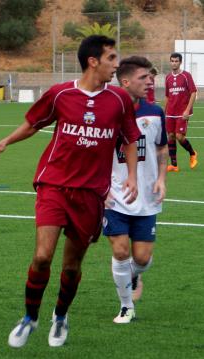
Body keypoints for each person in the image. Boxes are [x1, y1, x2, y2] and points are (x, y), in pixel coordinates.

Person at [0, 35, 141, 348]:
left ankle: (60, 315)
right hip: (53, 183)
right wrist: (5, 141)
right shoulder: (60, 94)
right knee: (42, 256)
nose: (116, 65)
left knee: (71, 266)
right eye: (111, 58)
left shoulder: (120, 100)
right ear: (93, 61)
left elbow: (130, 139)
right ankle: (30, 318)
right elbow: (33, 123)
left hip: (91, 194)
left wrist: (133, 176)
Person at [104, 56, 168, 324]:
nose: (151, 81)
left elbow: (162, 148)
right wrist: (101, 187)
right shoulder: (107, 113)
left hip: (146, 196)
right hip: (114, 196)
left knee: (141, 258)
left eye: (151, 77)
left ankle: (134, 272)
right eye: (144, 77)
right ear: (126, 81)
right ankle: (126, 306)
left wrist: (162, 178)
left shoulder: (155, 112)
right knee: (120, 251)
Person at [164, 52, 198, 172]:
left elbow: (193, 92)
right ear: (170, 62)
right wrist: (164, 111)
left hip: (182, 112)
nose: (174, 63)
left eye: (176, 61)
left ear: (180, 62)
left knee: (179, 136)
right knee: (171, 136)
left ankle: (193, 153)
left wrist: (187, 110)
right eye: (172, 61)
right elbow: (167, 96)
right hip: (170, 112)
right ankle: (174, 165)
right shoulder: (167, 77)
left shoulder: (186, 76)